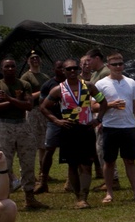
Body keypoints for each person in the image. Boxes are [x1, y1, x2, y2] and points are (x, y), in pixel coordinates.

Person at [41, 59, 105, 209]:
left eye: (75, 68)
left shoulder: (88, 86)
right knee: (72, 165)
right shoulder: (58, 89)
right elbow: (43, 107)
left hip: (86, 129)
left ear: (79, 69)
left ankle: (84, 197)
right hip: (69, 130)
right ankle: (78, 197)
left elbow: (103, 102)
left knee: (87, 164)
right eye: (68, 69)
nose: (72, 71)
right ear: (63, 71)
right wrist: (57, 121)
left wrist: (98, 119)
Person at [0, 58, 48, 210]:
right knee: (4, 162)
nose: (10, 69)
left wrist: (7, 99)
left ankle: (30, 197)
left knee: (28, 161)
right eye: (7, 66)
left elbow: (28, 105)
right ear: (2, 68)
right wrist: (15, 100)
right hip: (5, 125)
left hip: (23, 124)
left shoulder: (24, 84)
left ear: (16, 68)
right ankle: (4, 196)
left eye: (12, 66)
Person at [95, 52, 135, 203]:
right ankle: (109, 193)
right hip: (109, 127)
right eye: (115, 64)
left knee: (130, 160)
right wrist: (110, 105)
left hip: (128, 127)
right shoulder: (101, 84)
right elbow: (93, 105)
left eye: (121, 64)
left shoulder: (130, 82)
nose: (118, 67)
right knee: (109, 161)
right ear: (108, 66)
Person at [20, 51, 51, 192]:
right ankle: (34, 174)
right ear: (28, 61)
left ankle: (43, 172)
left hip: (44, 110)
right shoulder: (26, 77)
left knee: (44, 143)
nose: (35, 60)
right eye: (32, 58)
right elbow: (25, 97)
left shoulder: (45, 76)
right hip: (33, 111)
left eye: (37, 58)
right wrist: (43, 92)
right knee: (34, 142)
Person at [36, 61, 66, 194]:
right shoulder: (48, 85)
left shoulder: (75, 83)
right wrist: (53, 119)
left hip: (72, 120)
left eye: (64, 68)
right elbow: (42, 105)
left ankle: (71, 181)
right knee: (49, 149)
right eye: (59, 67)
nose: (63, 70)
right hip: (54, 121)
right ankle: (43, 180)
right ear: (54, 69)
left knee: (73, 151)